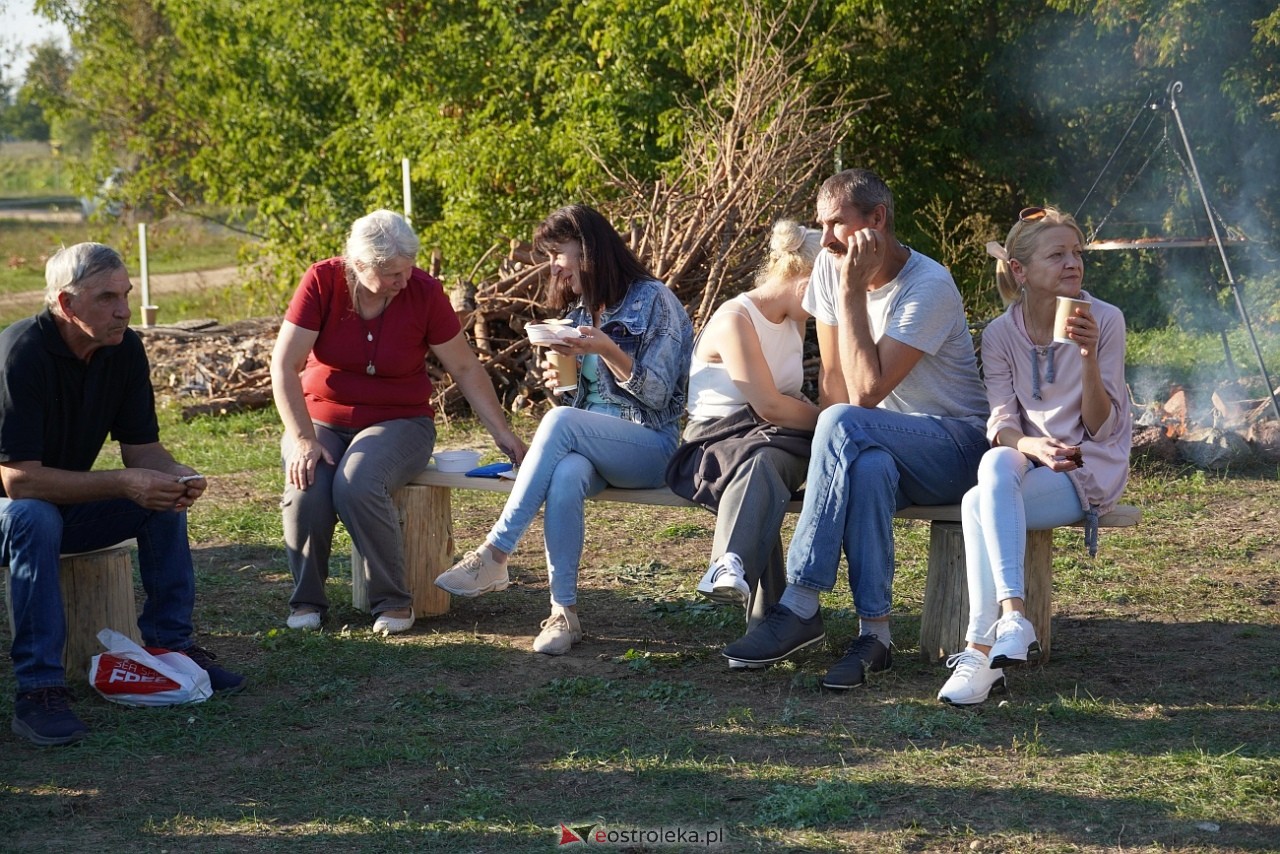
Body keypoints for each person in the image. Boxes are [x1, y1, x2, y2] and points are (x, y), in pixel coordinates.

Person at [722, 168, 990, 689]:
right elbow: (834, 384)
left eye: (835, 224)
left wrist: (849, 295)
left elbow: (863, 393)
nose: (823, 241)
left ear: (877, 220)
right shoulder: (829, 264)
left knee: (847, 423)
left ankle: (799, 601)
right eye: (819, 225)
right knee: (865, 465)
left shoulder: (928, 285)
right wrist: (834, 451)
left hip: (956, 446)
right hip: (877, 440)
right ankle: (876, 635)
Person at [1, 243, 244, 747]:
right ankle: (38, 691)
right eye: (107, 298)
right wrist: (120, 482)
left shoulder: (123, 348)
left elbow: (143, 451)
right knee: (34, 517)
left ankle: (170, 649)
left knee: (159, 498)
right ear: (67, 305)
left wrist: (177, 475)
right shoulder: (20, 354)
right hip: (14, 511)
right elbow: (18, 481)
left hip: (56, 503)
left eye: (126, 294)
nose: (123, 309)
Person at [433, 204, 693, 655]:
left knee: (559, 424)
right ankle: (563, 612)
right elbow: (579, 407)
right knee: (568, 473)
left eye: (558, 253)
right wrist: (563, 385)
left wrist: (609, 349)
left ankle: (495, 554)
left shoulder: (655, 301)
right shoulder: (579, 310)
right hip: (595, 447)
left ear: (588, 249)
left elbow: (660, 395)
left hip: (652, 445)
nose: (553, 266)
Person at [271, 210, 527, 636]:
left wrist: (503, 434)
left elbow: (464, 367)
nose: (402, 281)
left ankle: (392, 601)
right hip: (321, 417)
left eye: (407, 269)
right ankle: (307, 601)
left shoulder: (424, 292)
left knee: (357, 482)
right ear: (358, 265)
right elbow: (284, 365)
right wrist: (301, 438)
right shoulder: (321, 281)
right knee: (308, 486)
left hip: (400, 421)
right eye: (391, 273)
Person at [937, 206, 1132, 706]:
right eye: (1058, 254)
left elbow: (1101, 425)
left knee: (976, 503)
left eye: (1077, 253)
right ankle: (1011, 622)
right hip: (1026, 464)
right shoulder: (1001, 335)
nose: (1073, 264)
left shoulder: (1105, 319)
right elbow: (1001, 423)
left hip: (1089, 465)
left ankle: (981, 650)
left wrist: (1088, 360)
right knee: (993, 466)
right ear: (1020, 270)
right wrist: (1029, 444)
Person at [665, 220, 821, 665]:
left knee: (765, 460)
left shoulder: (795, 322)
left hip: (778, 438)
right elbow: (771, 405)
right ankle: (768, 615)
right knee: (759, 464)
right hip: (716, 443)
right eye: (825, 287)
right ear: (804, 278)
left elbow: (783, 407)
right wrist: (829, 420)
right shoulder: (736, 317)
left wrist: (824, 418)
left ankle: (733, 563)